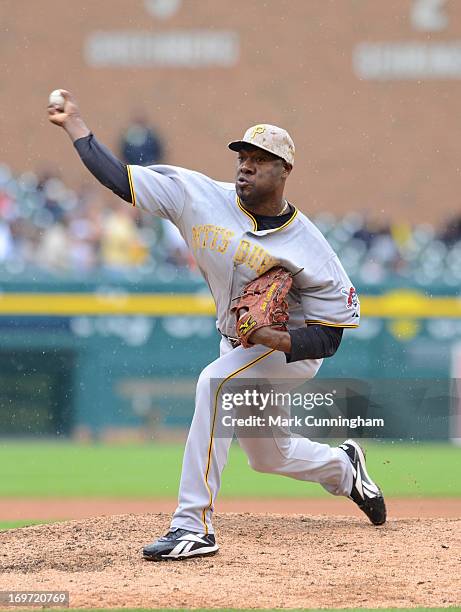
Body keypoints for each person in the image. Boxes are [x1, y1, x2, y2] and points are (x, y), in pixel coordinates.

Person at [48, 90, 386, 562]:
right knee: (270, 456)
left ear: (285, 171)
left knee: (215, 382)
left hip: (291, 349)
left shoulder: (312, 249)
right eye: (243, 157)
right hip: (239, 343)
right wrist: (77, 127)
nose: (246, 166)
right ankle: (345, 469)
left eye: (261, 160)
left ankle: (193, 526)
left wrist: (274, 336)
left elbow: (330, 336)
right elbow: (120, 179)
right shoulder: (197, 196)